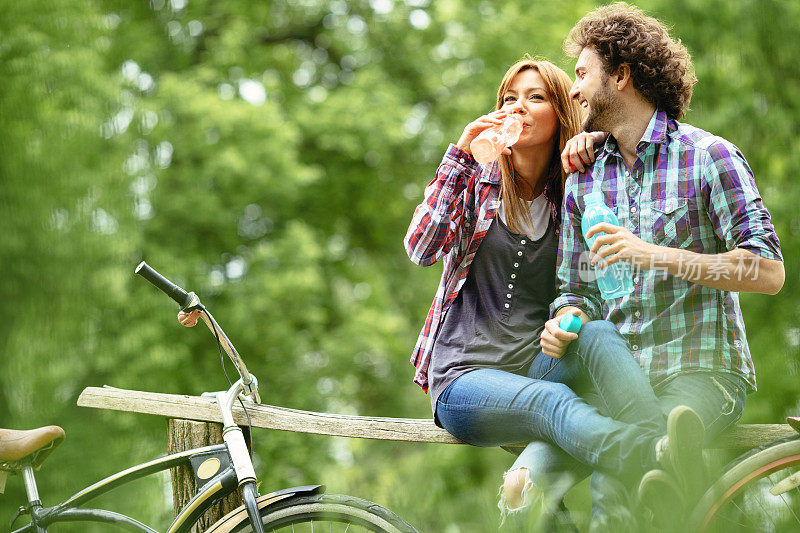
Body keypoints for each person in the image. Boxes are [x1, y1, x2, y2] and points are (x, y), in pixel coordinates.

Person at [530, 2, 784, 527]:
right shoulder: (584, 176)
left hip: (703, 377)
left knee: (620, 484)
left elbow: (767, 271)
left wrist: (655, 255)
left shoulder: (709, 156)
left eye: (582, 74)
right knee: (583, 490)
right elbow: (575, 290)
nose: (573, 90)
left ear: (622, 76)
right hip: (621, 381)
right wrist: (565, 321)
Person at [404, 57, 675, 528]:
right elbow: (421, 248)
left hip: (539, 364)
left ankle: (660, 443)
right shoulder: (475, 181)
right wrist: (461, 156)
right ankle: (651, 457)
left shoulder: (573, 189)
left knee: (600, 335)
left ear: (559, 114)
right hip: (465, 379)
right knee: (555, 405)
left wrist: (569, 320)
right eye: (510, 99)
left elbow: (593, 291)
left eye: (535, 97)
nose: (519, 108)